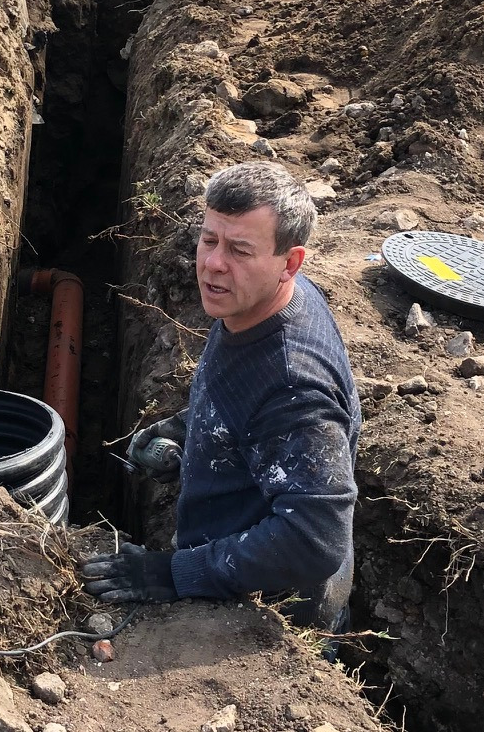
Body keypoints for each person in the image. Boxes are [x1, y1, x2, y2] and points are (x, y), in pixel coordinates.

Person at [80, 162, 360, 630]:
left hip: (266, 617)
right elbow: (251, 404)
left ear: (290, 262)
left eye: (239, 250)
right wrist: (193, 428)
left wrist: (173, 572)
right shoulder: (258, 301)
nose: (212, 263)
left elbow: (315, 540)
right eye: (209, 240)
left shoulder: (295, 388)